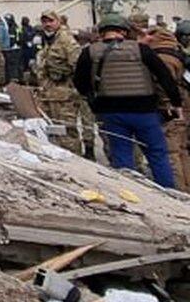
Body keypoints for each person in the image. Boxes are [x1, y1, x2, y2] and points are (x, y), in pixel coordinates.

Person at [74, 13, 182, 188]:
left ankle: (130, 194)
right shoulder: (141, 49)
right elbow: (164, 77)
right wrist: (176, 103)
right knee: (157, 154)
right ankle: (168, 194)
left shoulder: (90, 52)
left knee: (122, 157)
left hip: (111, 112)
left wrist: (95, 102)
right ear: (124, 31)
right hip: (145, 110)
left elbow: (79, 82)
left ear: (101, 32)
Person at [143, 20, 190, 191]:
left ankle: (178, 191)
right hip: (182, 105)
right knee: (182, 149)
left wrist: (166, 106)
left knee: (172, 151)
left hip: (173, 109)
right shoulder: (175, 52)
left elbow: (165, 85)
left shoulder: (163, 57)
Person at [34, 11, 85, 157]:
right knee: (50, 132)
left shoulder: (66, 40)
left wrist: (74, 90)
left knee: (67, 134)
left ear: (58, 22)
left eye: (50, 21)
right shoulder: (49, 41)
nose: (47, 25)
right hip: (47, 95)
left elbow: (78, 66)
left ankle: (77, 164)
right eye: (44, 22)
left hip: (64, 97)